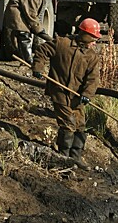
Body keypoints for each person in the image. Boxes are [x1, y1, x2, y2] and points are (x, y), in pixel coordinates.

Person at [31, 18, 101, 170]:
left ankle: (75, 157)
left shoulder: (92, 57)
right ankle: (63, 158)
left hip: (77, 97)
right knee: (68, 125)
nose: (95, 42)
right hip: (60, 93)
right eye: (94, 38)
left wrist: (87, 94)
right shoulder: (62, 44)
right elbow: (42, 50)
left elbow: (93, 79)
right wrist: (38, 67)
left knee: (80, 126)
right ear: (85, 35)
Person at [4, 0, 54, 65]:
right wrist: (39, 30)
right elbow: (31, 15)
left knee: (20, 38)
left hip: (17, 16)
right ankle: (28, 61)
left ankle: (22, 59)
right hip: (17, 17)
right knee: (24, 36)